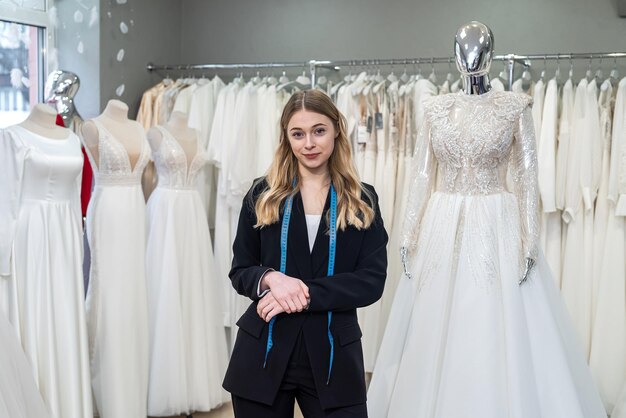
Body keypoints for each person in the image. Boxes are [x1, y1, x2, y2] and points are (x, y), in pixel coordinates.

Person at [367, 21, 607, 418]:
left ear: (491, 56)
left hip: (497, 219)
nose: (469, 57)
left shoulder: (514, 106)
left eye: (478, 50)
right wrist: (408, 234)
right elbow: (422, 173)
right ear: (453, 55)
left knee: (495, 318)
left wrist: (530, 238)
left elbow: (528, 175)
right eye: (463, 49)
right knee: (436, 323)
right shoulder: (436, 108)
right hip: (444, 223)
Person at [223, 89, 388, 418]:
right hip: (263, 352)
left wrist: (300, 292)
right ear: (286, 137)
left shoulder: (362, 199)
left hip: (333, 357)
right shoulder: (262, 194)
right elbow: (241, 271)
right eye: (298, 134)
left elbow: (371, 282)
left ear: (337, 130)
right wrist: (269, 278)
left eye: (319, 131)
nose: (309, 144)